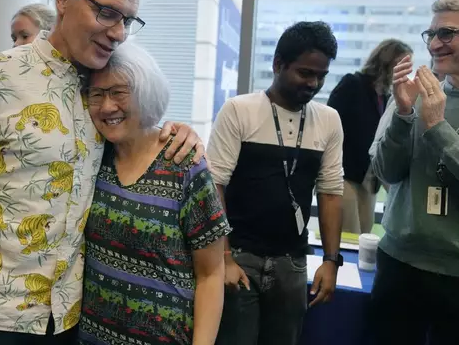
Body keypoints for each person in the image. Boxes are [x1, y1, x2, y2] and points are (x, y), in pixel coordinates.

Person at [0, 0, 204, 344]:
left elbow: (142, 136)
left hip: (69, 315)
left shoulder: (103, 90)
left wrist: (179, 131)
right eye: (107, 13)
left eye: (128, 20)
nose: (118, 32)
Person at [78, 42, 229, 345]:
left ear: (145, 94)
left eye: (119, 92)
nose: (107, 107)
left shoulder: (184, 164)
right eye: (97, 94)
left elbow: (211, 275)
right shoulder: (91, 158)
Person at [208, 21, 344, 345]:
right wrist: (224, 258)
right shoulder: (240, 110)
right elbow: (214, 186)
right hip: (240, 257)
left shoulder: (328, 119)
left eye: (321, 76)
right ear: (278, 64)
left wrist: (330, 260)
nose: (313, 84)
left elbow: (331, 193)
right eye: (305, 73)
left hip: (292, 263)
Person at [370, 0, 459, 345]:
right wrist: (404, 115)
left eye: (447, 34)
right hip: (398, 261)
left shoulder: (433, 104)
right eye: (432, 34)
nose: (435, 44)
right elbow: (385, 172)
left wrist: (437, 126)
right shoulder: (413, 92)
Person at [327, 39, 413, 234]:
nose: (406, 71)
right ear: (387, 62)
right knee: (349, 235)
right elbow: (330, 126)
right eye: (403, 64)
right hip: (344, 174)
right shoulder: (353, 84)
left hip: (369, 179)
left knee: (364, 234)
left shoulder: (385, 97)